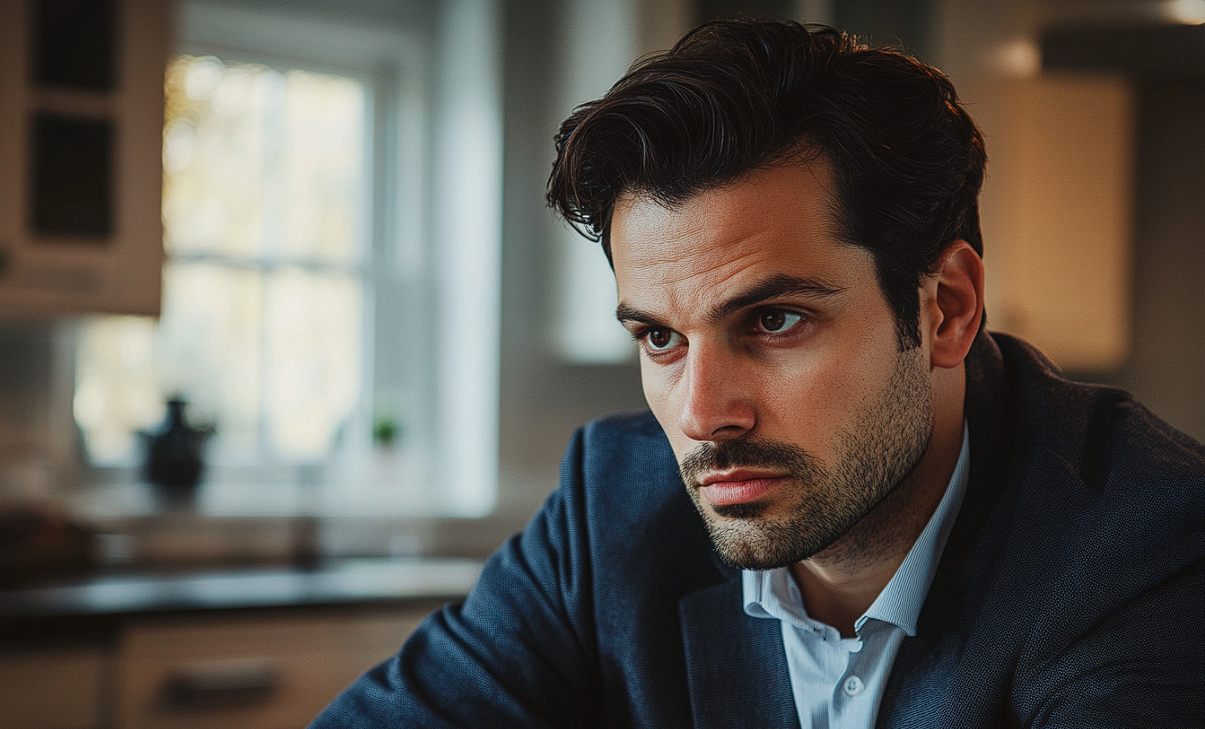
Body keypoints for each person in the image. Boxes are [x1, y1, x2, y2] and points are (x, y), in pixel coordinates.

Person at [311, 19, 1204, 728]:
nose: (701, 415)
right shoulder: (609, 507)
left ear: (945, 309)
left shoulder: (1148, 545)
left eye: (774, 321)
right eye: (660, 339)